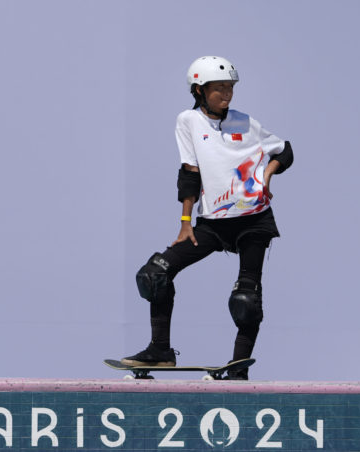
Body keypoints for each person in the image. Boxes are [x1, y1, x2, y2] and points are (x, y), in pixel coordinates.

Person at [121, 56, 294, 380]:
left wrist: (268, 174)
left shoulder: (245, 122)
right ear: (199, 90)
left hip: (253, 219)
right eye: (219, 88)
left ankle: (238, 368)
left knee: (247, 298)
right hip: (212, 223)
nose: (227, 94)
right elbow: (190, 173)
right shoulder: (188, 121)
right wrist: (186, 222)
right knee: (154, 275)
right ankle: (160, 351)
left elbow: (285, 151)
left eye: (230, 87)